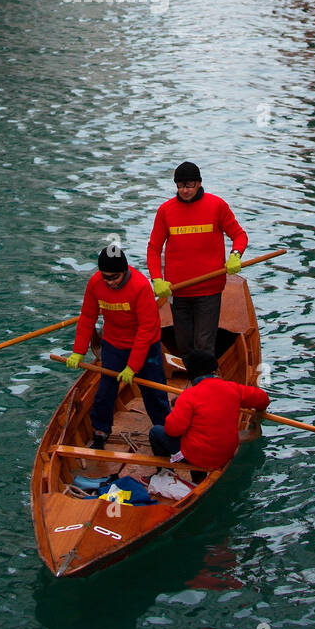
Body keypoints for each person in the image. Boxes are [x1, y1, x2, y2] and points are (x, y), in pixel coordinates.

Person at [66, 245, 170, 449]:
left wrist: (133, 366)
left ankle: (166, 432)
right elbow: (88, 317)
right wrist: (78, 351)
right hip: (113, 343)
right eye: (105, 277)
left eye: (114, 277)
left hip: (145, 346)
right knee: (105, 390)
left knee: (153, 393)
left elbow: (146, 329)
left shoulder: (140, 287)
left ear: (124, 271)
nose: (110, 282)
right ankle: (100, 431)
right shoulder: (96, 284)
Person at [146, 161, 247, 361]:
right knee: (184, 345)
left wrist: (235, 255)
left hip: (209, 290)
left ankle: (204, 382)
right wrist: (157, 278)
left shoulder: (217, 206)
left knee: (204, 344)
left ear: (199, 183)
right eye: (180, 186)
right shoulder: (165, 211)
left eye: (189, 185)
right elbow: (154, 249)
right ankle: (192, 380)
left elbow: (239, 235)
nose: (184, 190)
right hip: (178, 290)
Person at [148, 349, 269, 479]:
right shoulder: (233, 388)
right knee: (197, 438)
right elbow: (263, 399)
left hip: (198, 456)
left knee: (156, 432)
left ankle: (164, 473)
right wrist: (259, 412)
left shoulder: (188, 396)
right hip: (226, 454)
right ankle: (198, 480)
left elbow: (172, 430)